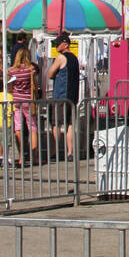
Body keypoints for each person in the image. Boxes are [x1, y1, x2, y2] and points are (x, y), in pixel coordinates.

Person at [48, 31, 80, 161]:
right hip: (72, 96)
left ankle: (55, 152)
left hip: (60, 95)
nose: (56, 46)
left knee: (56, 124)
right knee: (70, 125)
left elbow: (50, 73)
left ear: (65, 44)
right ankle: (70, 152)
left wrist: (55, 74)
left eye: (58, 44)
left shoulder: (61, 58)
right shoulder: (74, 58)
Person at [7, 46, 39, 165]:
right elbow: (36, 81)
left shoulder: (12, 71)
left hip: (16, 100)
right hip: (29, 101)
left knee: (18, 128)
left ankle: (21, 156)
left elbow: (9, 85)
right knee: (33, 128)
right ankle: (34, 156)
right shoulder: (31, 70)